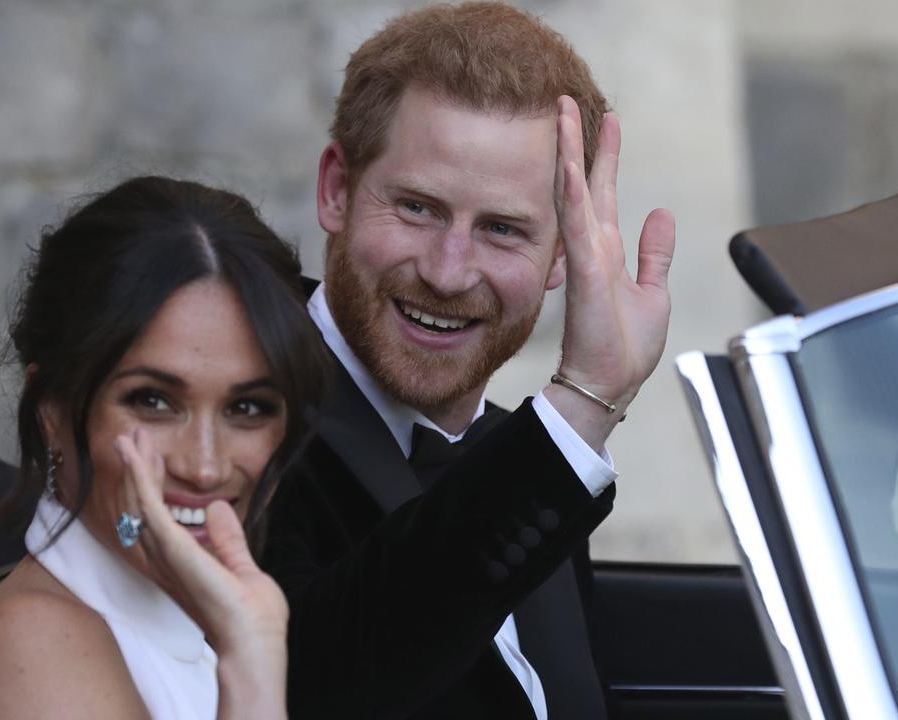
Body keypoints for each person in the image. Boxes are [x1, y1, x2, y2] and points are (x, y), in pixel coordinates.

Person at [262, 3, 677, 719]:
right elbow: (317, 686)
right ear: (337, 189)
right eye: (418, 208)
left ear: (560, 259)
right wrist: (584, 403)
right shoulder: (238, 420)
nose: (449, 273)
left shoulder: (527, 457)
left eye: (503, 230)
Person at [0, 176, 330, 720]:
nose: (204, 466)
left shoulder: (183, 619)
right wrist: (253, 677)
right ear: (51, 409)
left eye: (248, 408)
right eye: (153, 401)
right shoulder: (35, 650)